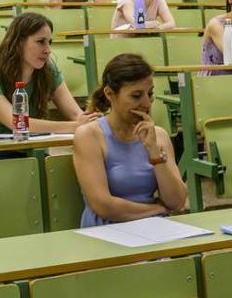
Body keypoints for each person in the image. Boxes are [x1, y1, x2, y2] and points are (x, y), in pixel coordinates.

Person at [0, 12, 100, 158]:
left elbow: (75, 114)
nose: (47, 50)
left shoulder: (48, 70)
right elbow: (17, 123)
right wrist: (73, 126)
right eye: (40, 41)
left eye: (50, 42)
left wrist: (92, 122)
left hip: (30, 149)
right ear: (18, 42)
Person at [74, 54, 187, 226]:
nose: (146, 103)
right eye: (136, 96)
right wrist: (156, 210)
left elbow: (177, 201)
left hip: (151, 228)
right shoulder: (89, 136)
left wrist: (154, 152)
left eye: (150, 94)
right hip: (106, 230)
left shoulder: (158, 136)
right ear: (110, 94)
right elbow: (102, 205)